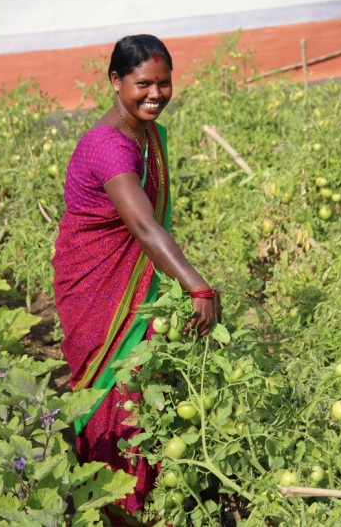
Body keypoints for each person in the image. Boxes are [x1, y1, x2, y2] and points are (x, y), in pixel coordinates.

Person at [52, 34, 217, 525]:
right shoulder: (108, 145)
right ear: (115, 81)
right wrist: (198, 286)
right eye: (143, 83)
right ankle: (114, 507)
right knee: (111, 392)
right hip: (94, 278)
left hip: (132, 275)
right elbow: (144, 226)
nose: (156, 94)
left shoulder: (150, 134)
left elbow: (151, 226)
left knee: (144, 386)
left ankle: (151, 498)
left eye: (164, 83)